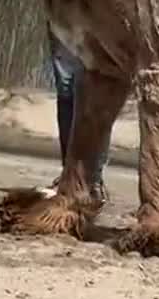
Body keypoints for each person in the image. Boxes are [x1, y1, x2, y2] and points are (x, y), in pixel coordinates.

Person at [47, 26, 112, 205]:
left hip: (96, 16)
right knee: (66, 93)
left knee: (95, 96)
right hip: (63, 15)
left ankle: (94, 179)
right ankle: (70, 175)